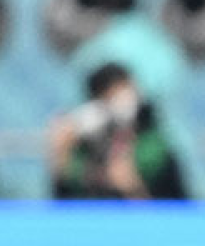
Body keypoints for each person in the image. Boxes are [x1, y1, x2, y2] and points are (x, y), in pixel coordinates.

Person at [48, 61, 186, 199]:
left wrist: (133, 188)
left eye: (124, 89)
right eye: (111, 95)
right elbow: (65, 201)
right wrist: (61, 158)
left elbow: (175, 208)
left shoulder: (154, 144)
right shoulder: (83, 147)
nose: (122, 101)